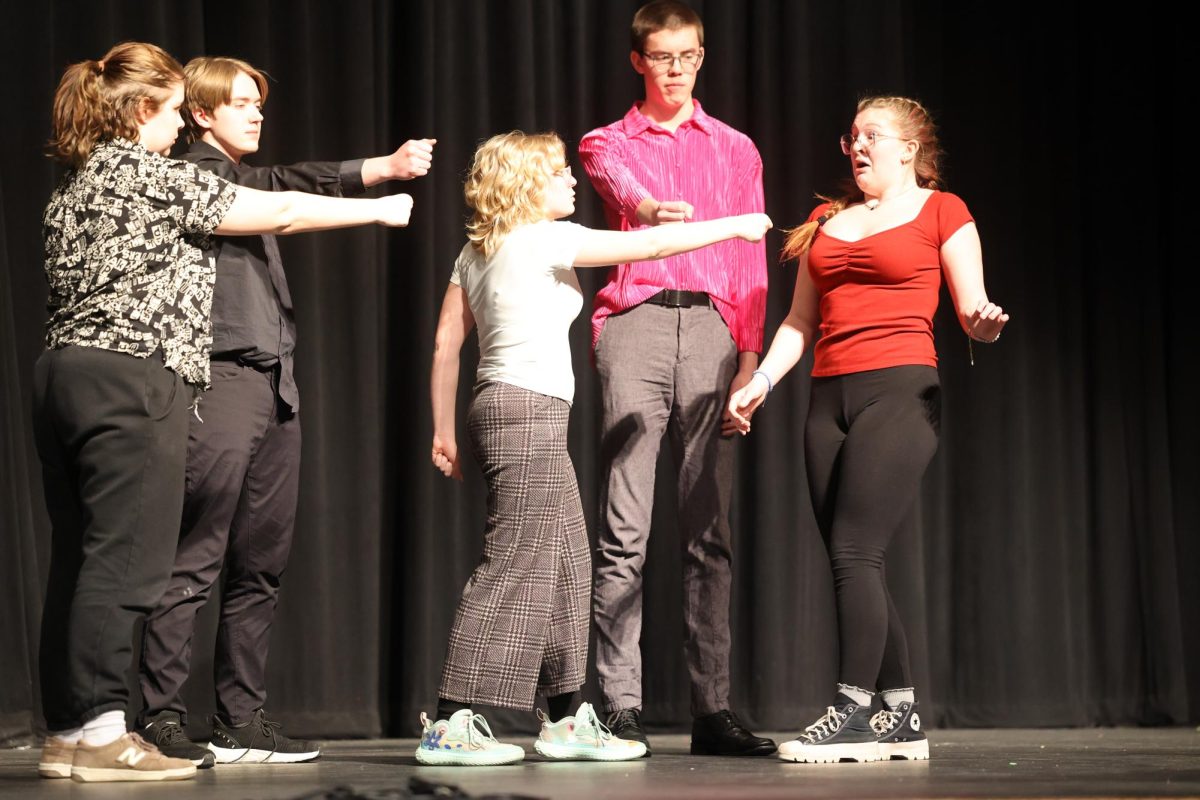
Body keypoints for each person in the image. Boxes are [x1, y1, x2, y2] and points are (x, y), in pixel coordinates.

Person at [33, 41, 412, 783]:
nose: (178, 128)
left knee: (79, 561)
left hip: (62, 376)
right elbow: (281, 210)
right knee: (128, 561)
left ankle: (70, 731)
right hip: (129, 378)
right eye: (172, 112)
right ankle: (109, 734)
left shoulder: (72, 186)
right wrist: (377, 209)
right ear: (140, 110)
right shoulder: (148, 174)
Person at [421, 130, 771, 766]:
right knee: (517, 560)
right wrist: (738, 224)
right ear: (528, 183)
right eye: (558, 172)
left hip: (508, 410)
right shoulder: (544, 237)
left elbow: (447, 342)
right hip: (524, 411)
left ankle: (561, 718)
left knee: (569, 561)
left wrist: (444, 428)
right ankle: (451, 718)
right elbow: (653, 243)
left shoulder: (478, 249)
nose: (571, 181)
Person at [133, 55, 436, 768]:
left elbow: (291, 181)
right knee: (196, 556)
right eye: (241, 102)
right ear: (201, 114)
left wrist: (381, 167)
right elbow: (290, 201)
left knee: (260, 563)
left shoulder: (246, 177)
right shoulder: (194, 176)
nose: (257, 113)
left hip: (276, 387)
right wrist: (377, 200)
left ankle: (240, 717)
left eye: (258, 102)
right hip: (221, 380)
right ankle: (159, 718)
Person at [728, 95, 1009, 763]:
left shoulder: (944, 210)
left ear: (909, 149)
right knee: (854, 561)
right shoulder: (827, 220)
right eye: (851, 138)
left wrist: (982, 323)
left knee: (856, 553)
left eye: (871, 137)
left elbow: (970, 306)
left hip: (901, 392)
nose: (856, 147)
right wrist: (759, 383)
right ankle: (902, 716)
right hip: (828, 400)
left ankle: (852, 712)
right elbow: (798, 323)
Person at [578, 0, 774, 757]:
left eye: (688, 55)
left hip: (716, 331)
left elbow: (751, 260)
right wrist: (654, 209)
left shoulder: (736, 148)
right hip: (637, 325)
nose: (675, 68)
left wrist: (749, 360)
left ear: (701, 56)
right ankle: (619, 705)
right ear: (638, 60)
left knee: (707, 531)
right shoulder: (608, 140)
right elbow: (621, 186)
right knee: (625, 527)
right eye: (661, 56)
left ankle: (712, 711)